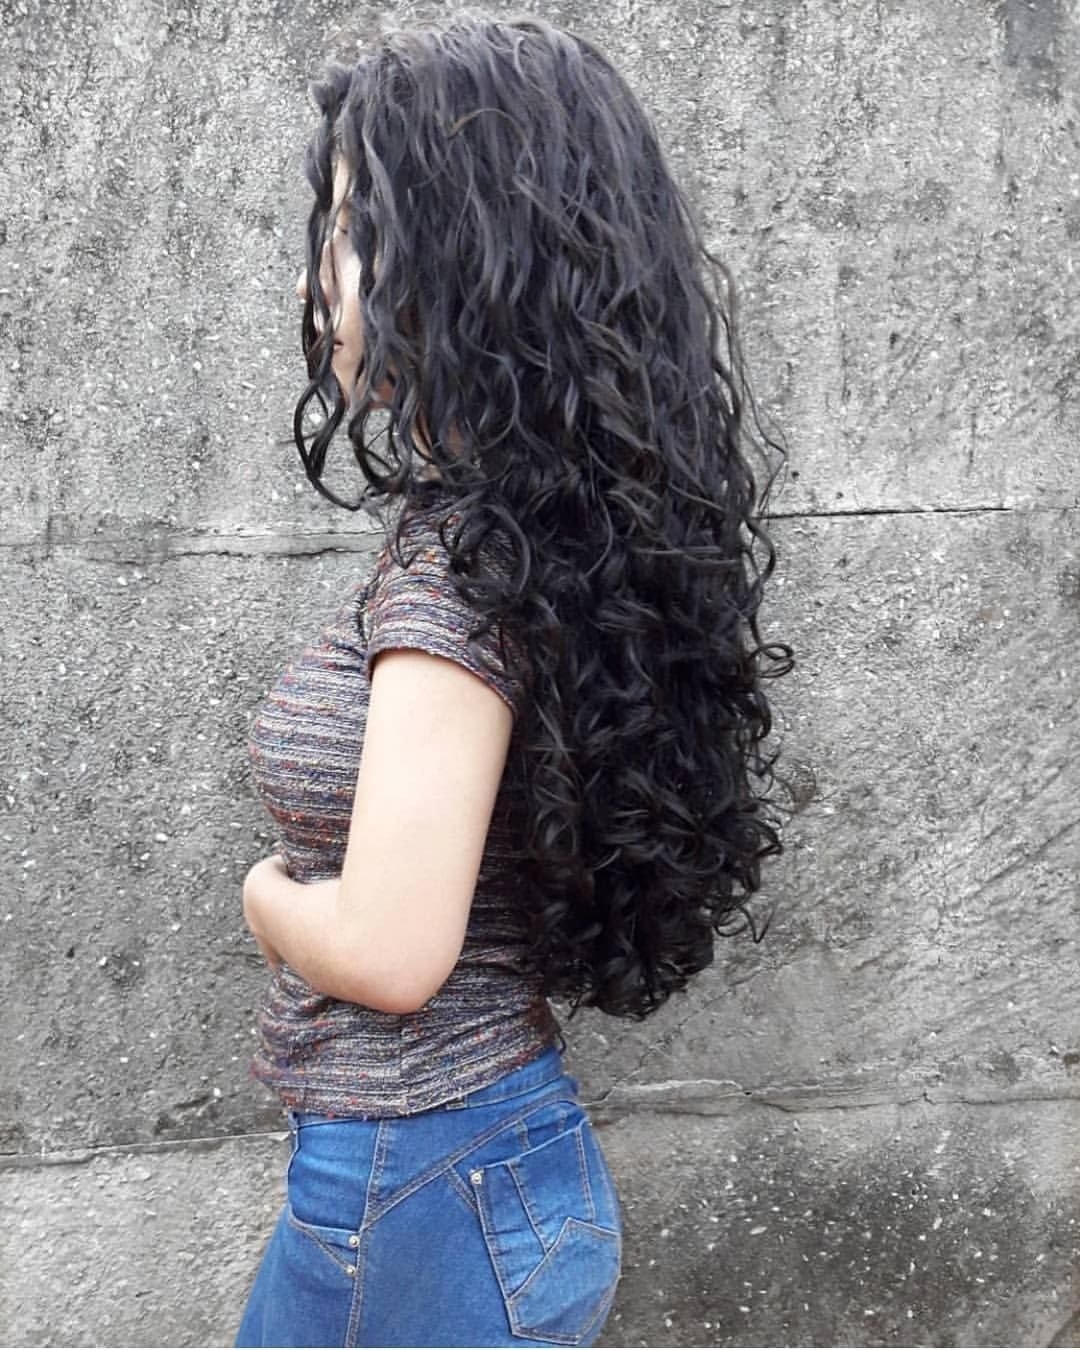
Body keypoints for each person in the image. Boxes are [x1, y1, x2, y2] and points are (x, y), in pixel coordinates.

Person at [234, 14, 792, 1347]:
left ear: (467, 257)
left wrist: (267, 898)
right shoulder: (534, 544)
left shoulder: (459, 573)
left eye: (355, 228)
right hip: (470, 1170)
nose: (321, 274)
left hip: (416, 1180)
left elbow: (391, 951)